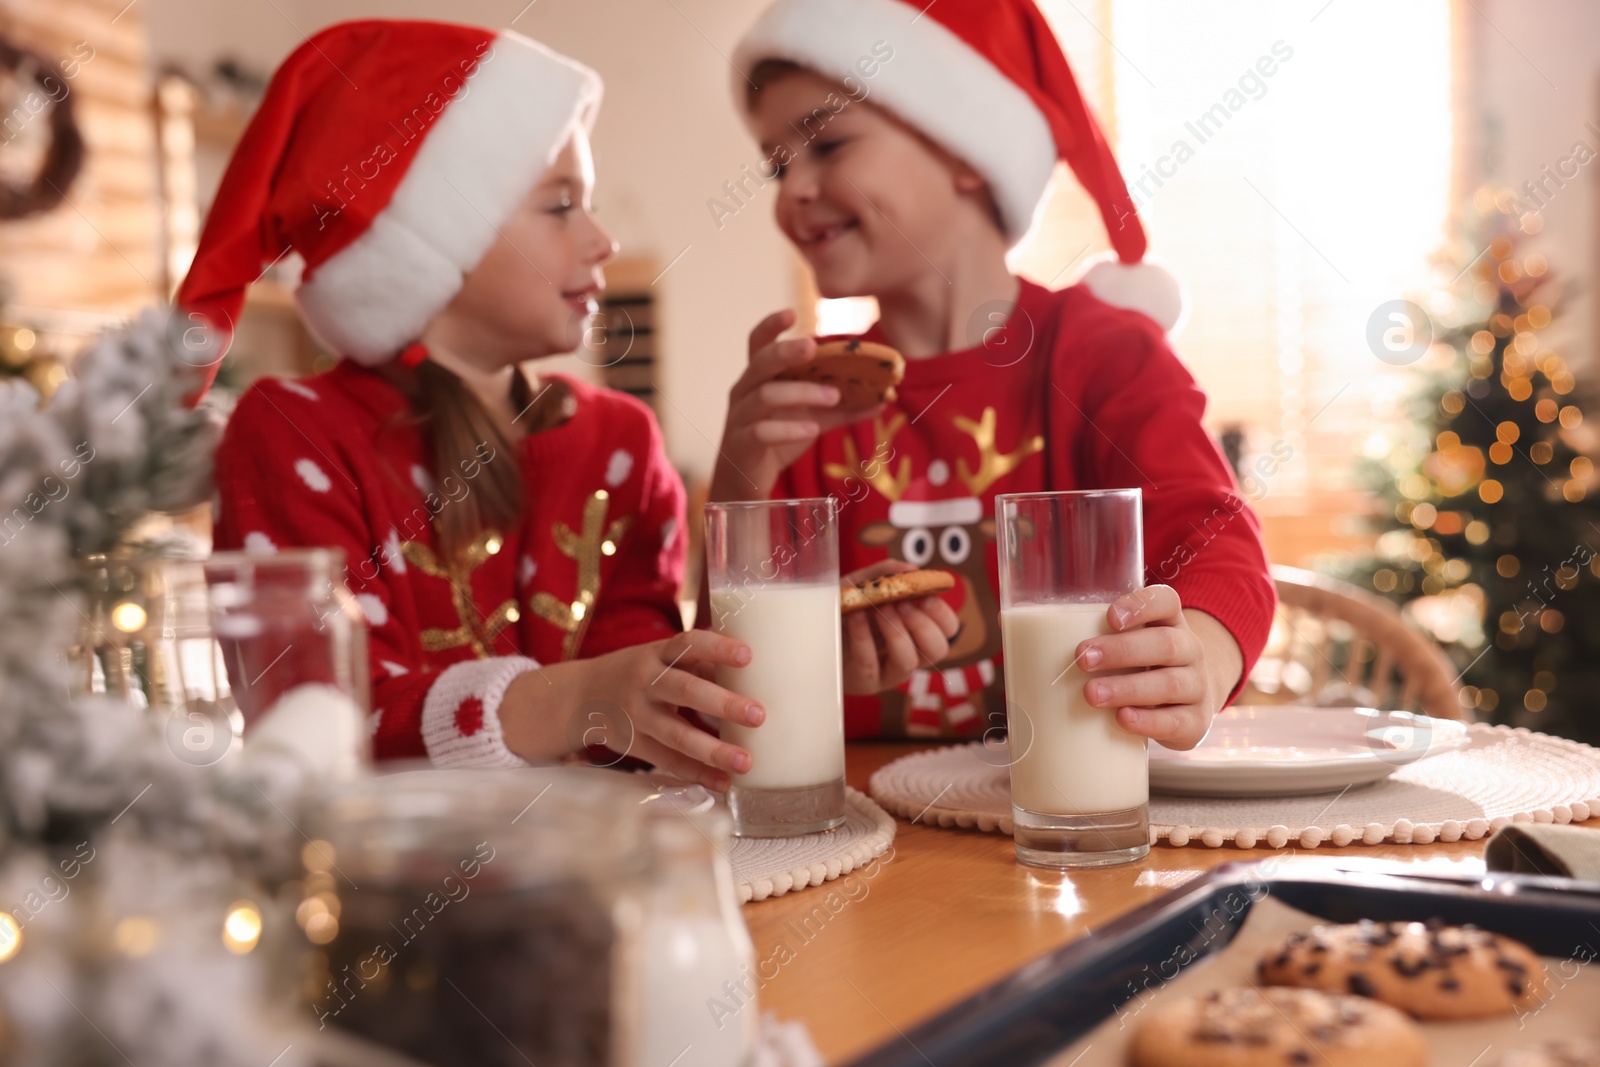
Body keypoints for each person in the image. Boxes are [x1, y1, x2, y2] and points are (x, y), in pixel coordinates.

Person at [187, 20, 761, 788]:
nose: (604, 241)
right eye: (560, 207)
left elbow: (638, 703)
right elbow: (314, 718)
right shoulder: (292, 434)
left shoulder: (621, 438)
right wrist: (568, 701)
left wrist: (740, 660)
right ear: (432, 243)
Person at [713, 0, 1276, 746]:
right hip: (875, 833)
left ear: (969, 152)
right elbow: (726, 675)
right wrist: (741, 476)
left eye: (829, 145)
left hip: (1071, 827)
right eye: (777, 164)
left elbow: (1212, 535)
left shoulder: (1104, 354)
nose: (790, 192)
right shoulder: (804, 401)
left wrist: (1200, 651)